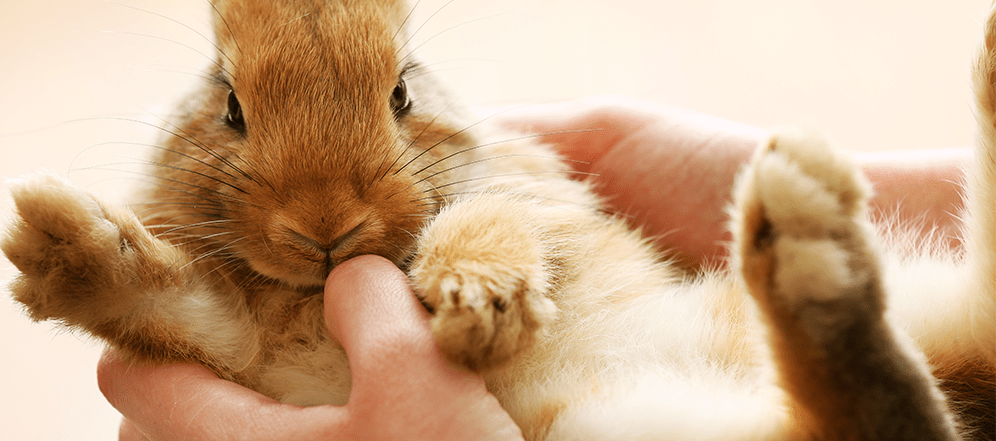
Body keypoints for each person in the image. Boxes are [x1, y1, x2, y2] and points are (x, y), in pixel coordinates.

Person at [98, 97, 969, 440]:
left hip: (641, 352)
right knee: (964, 339)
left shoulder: (484, 173)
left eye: (397, 99)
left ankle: (854, 388)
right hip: (682, 358)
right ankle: (856, 386)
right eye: (237, 111)